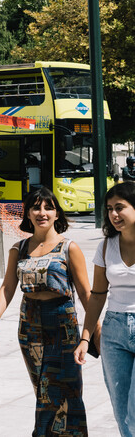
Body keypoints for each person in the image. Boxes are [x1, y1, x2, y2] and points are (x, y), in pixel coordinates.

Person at [0, 187, 90, 436]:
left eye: (48, 207)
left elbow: (86, 292)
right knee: (43, 389)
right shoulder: (19, 249)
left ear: (57, 213)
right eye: (36, 207)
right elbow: (8, 287)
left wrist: (92, 330)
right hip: (30, 325)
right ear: (28, 213)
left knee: (68, 388)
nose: (42, 213)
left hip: (62, 323)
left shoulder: (69, 248)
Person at [75, 181, 135, 436]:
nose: (113, 214)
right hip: (113, 333)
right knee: (122, 413)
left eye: (119, 207)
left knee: (134, 412)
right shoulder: (106, 246)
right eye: (109, 209)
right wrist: (86, 338)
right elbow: (98, 295)